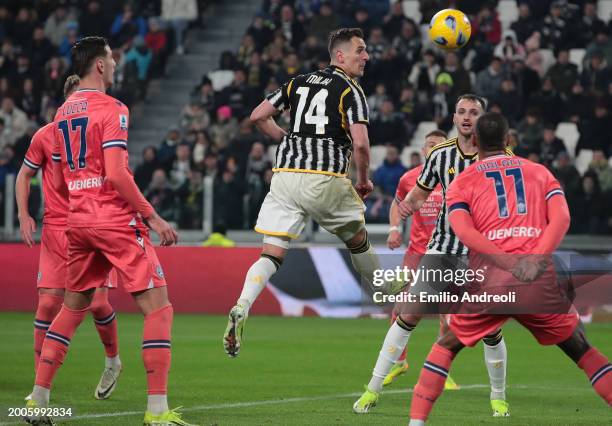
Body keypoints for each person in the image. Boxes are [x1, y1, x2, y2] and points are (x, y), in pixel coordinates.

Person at [23, 37, 195, 426]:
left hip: (77, 222)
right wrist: (152, 217)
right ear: (99, 66)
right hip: (114, 220)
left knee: (72, 308)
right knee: (159, 308)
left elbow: (66, 178)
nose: (116, 65)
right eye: (112, 59)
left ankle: (37, 401)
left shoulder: (63, 113)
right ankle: (157, 412)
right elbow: (116, 173)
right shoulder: (114, 108)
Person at [408, 112, 612, 425]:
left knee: (446, 346)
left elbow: (464, 232)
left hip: (491, 281)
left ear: (474, 142)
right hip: (538, 280)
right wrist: (536, 259)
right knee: (582, 350)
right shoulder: (540, 172)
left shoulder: (463, 180)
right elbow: (562, 219)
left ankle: (416, 422)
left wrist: (506, 262)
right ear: (509, 141)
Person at [223, 28, 403, 357]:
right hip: (325, 177)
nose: (366, 57)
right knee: (357, 239)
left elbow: (258, 116)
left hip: (286, 177)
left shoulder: (298, 82)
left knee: (271, 254)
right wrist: (363, 179)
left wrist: (287, 140)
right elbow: (361, 144)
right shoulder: (351, 90)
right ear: (340, 56)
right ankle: (388, 289)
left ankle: (242, 304)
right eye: (360, 51)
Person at [394, 95, 511, 417]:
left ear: (483, 119)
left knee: (490, 330)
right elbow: (413, 195)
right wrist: (402, 214)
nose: (466, 117)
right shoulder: (441, 157)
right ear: (454, 116)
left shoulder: (502, 158)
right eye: (461, 111)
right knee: (409, 312)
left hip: (485, 255)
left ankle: (498, 396)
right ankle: (382, 379)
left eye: (474, 112)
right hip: (442, 249)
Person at [15, 74, 122, 401]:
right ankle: (40, 387)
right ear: (66, 102)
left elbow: (117, 175)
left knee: (99, 303)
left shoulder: (102, 133)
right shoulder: (46, 136)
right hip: (57, 228)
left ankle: (112, 360)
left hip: (93, 224)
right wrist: (23, 213)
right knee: (48, 302)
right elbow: (24, 174)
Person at [353, 130, 460, 414]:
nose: (433, 149)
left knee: (446, 315)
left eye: (439, 145)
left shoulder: (454, 175)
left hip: (445, 253)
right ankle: (399, 361)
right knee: (400, 306)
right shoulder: (410, 178)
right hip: (416, 253)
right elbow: (398, 204)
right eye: (429, 145)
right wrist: (393, 228)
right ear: (423, 150)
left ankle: (441, 368)